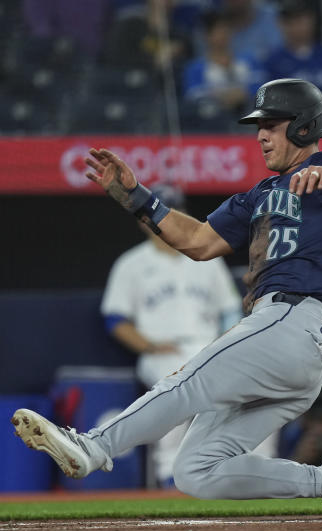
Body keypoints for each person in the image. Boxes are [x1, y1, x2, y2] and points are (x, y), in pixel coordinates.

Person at [12, 77, 322, 509]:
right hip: (284, 343)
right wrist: (136, 197)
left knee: (186, 381)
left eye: (272, 124)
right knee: (195, 471)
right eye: (258, 127)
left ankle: (94, 446)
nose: (261, 135)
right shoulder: (257, 195)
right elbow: (199, 241)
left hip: (291, 320)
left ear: (304, 126)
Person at [100, 183, 242, 487]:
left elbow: (231, 313)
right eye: (154, 214)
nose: (161, 220)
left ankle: (231, 472)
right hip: (161, 351)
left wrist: (224, 346)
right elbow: (116, 320)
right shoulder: (131, 264)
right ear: (143, 220)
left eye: (171, 211)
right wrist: (149, 346)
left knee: (243, 392)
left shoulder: (207, 257)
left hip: (208, 346)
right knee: (174, 391)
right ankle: (170, 477)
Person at [262, 0, 322, 112]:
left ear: (312, 19)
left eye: (300, 19)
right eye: (289, 21)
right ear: (281, 24)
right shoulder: (273, 60)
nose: (296, 26)